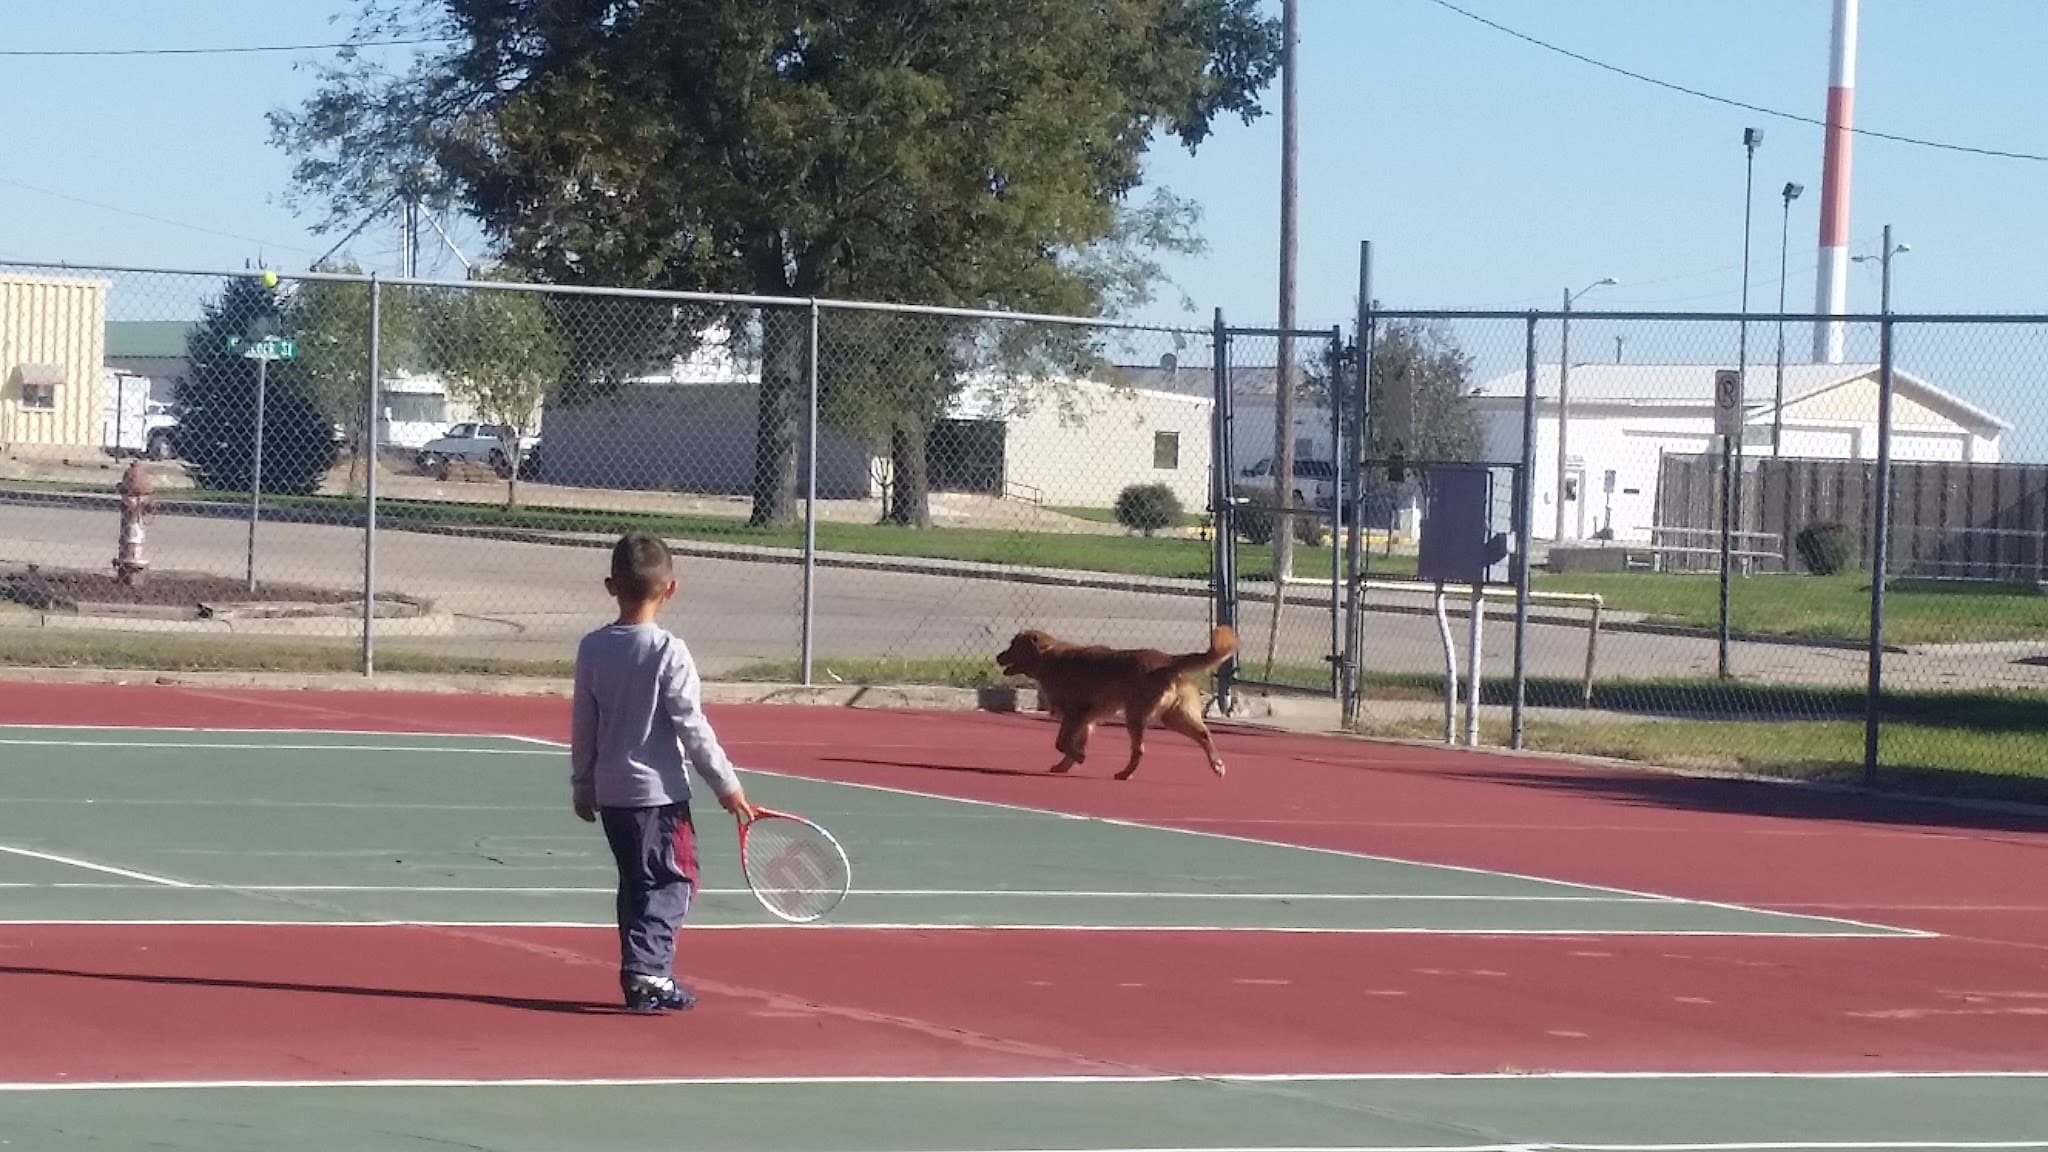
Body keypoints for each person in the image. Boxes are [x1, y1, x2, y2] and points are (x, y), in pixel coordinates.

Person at [571, 532, 756, 1013]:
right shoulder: (668, 651)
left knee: (637, 883)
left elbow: (583, 722)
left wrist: (583, 782)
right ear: (671, 588)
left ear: (612, 586)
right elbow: (692, 725)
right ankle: (648, 972)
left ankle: (643, 970)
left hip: (612, 794)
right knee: (676, 881)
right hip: (657, 798)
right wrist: (727, 784)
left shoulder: (593, 648)